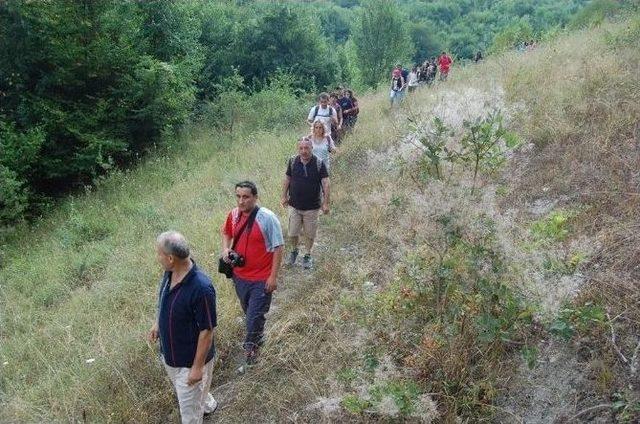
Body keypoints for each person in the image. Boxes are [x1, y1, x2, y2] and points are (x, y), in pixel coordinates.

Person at [149, 231, 218, 424]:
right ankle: (207, 404)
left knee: (189, 415)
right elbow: (164, 299)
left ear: (170, 258)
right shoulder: (170, 272)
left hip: (189, 364)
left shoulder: (201, 288)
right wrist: (157, 322)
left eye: (159, 254)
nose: (157, 258)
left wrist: (196, 369)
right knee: (196, 395)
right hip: (171, 357)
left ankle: (199, 406)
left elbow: (207, 331)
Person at [221, 181, 284, 371]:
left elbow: (278, 247)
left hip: (261, 279)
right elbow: (226, 232)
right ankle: (259, 335)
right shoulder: (233, 215)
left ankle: (251, 351)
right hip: (239, 277)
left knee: (253, 316)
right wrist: (225, 249)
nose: (241, 201)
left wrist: (273, 277)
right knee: (249, 312)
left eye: (246, 197)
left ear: (255, 197)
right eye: (238, 196)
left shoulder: (267, 218)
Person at [281, 138, 330, 269]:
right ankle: (294, 250)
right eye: (301, 148)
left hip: (312, 207)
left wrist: (325, 203)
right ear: (298, 149)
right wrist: (283, 196)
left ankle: (307, 255)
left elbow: (325, 183)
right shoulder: (292, 161)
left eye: (306, 148)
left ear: (311, 148)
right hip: (294, 205)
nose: (304, 151)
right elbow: (287, 179)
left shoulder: (319, 163)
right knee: (292, 233)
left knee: (310, 234)